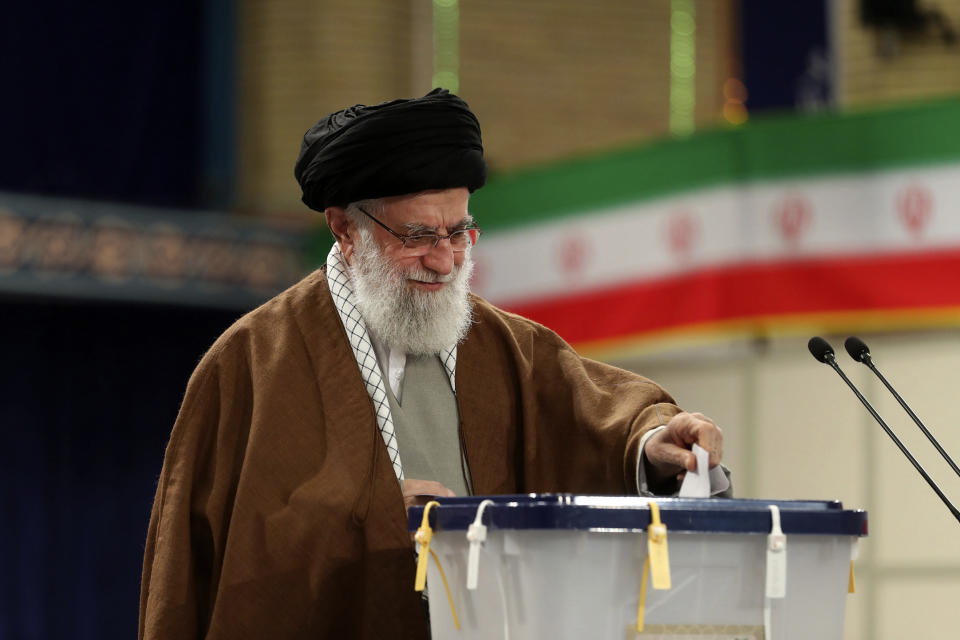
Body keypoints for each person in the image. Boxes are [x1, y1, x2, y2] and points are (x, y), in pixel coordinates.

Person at [138, 89, 729, 640]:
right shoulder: (250, 363)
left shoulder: (505, 346)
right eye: (418, 235)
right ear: (345, 228)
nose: (444, 260)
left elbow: (595, 417)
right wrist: (368, 513)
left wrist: (652, 445)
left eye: (460, 232)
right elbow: (217, 561)